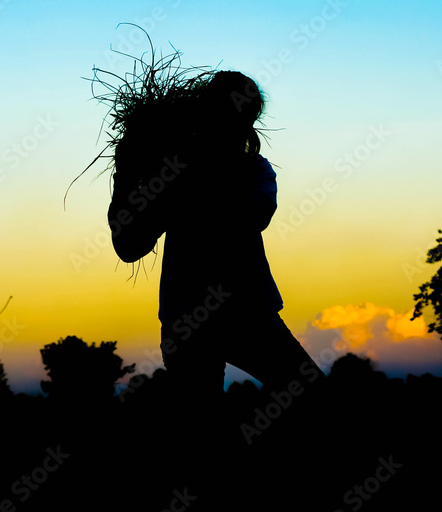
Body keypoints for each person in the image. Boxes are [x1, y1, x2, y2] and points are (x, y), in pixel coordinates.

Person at [107, 70, 327, 415]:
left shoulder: (253, 172)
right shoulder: (176, 175)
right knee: (203, 432)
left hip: (246, 316)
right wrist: (126, 177)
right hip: (197, 324)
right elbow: (129, 246)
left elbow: (249, 218)